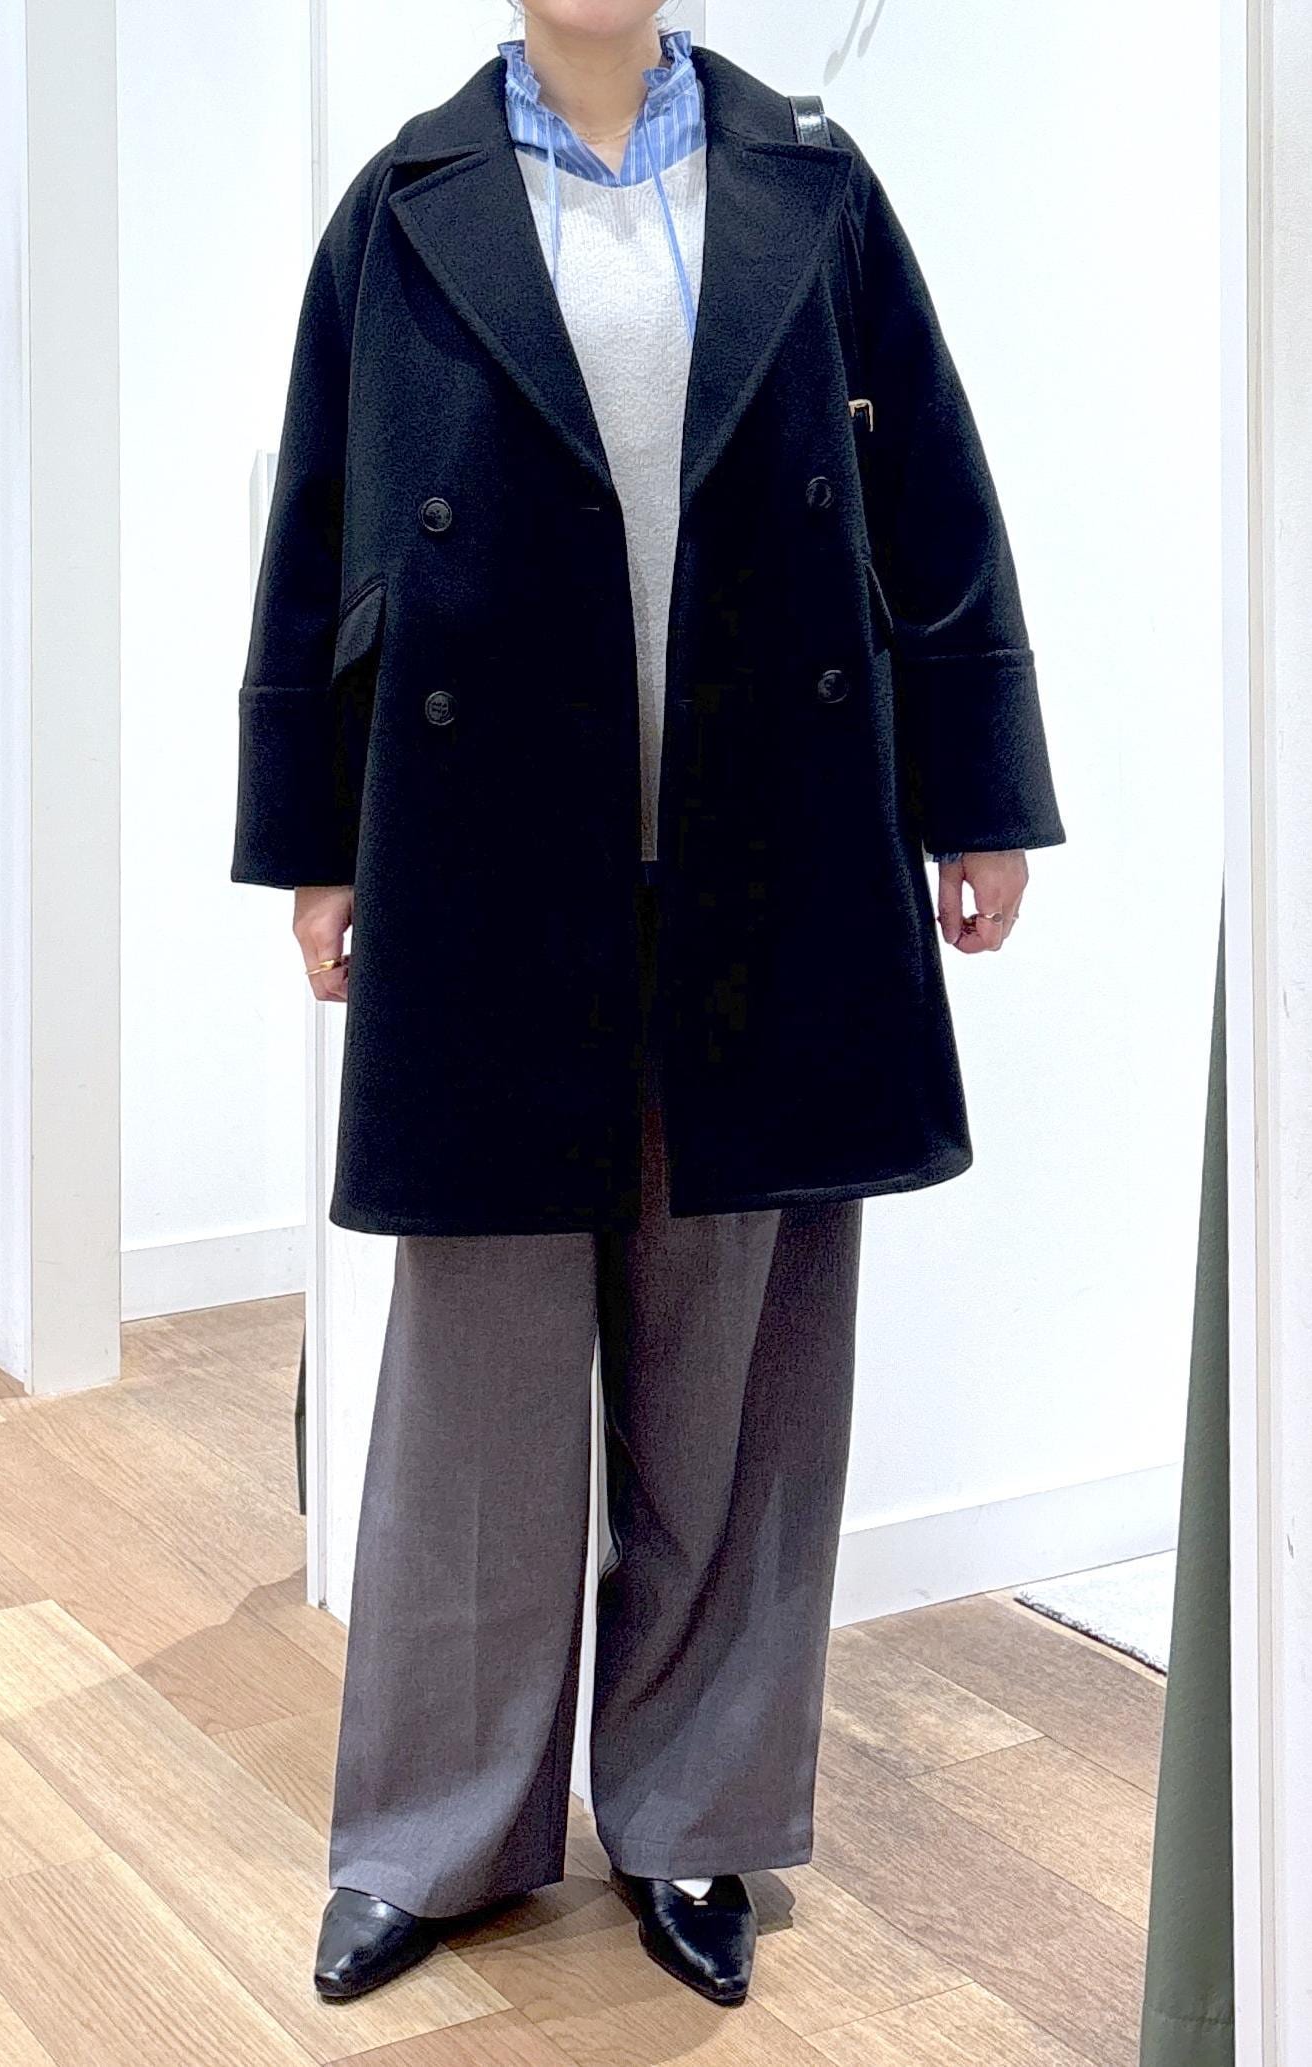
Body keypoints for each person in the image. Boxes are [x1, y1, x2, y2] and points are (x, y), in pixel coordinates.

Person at [230, 0, 1065, 2011]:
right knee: (476, 1383)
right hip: (486, 863)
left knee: (735, 1370)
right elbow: (321, 531)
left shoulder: (814, 187)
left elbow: (935, 497)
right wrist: (316, 842)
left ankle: (696, 1817)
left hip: (771, 852)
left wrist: (980, 791)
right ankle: (435, 1833)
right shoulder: (406, 205)